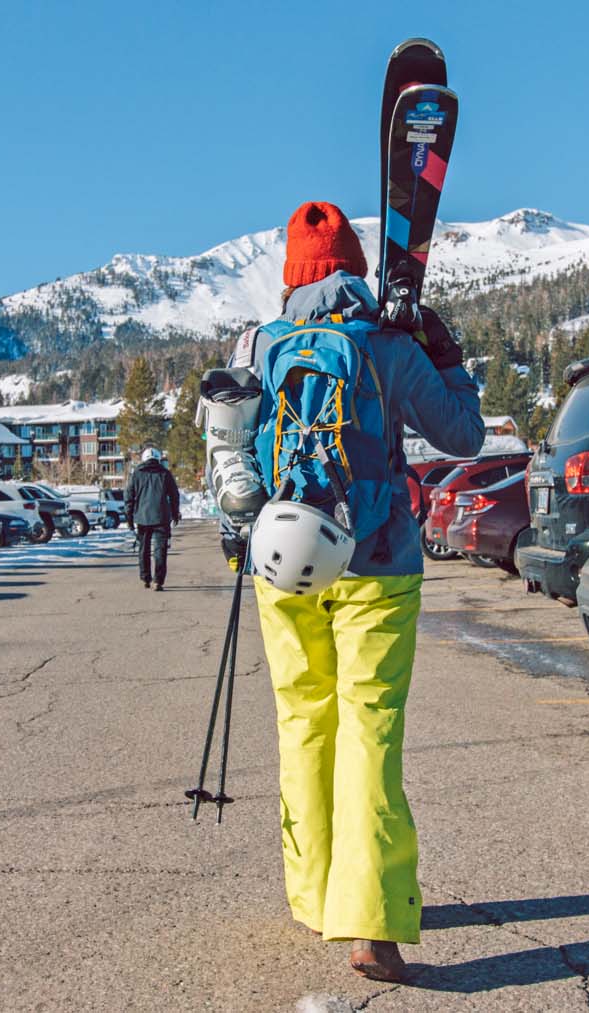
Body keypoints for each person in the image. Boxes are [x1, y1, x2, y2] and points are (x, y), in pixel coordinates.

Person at [232, 201, 483, 981]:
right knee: (369, 729)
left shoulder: (258, 346)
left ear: (292, 277)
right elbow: (464, 439)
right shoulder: (388, 345)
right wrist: (443, 356)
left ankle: (313, 896)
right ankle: (368, 922)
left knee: (303, 725)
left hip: (285, 561)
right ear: (353, 271)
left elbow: (234, 460)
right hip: (376, 557)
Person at [124, 447, 179, 590]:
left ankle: (145, 578)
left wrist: (129, 519)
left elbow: (129, 498)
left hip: (142, 518)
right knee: (160, 550)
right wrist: (175, 513)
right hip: (161, 517)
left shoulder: (136, 474)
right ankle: (158, 581)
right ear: (158, 458)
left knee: (144, 549)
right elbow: (174, 496)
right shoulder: (165, 474)